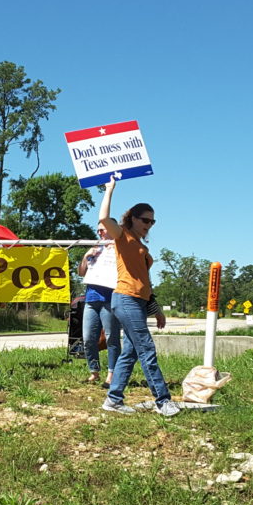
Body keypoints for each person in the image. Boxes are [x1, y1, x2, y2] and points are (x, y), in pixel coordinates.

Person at [98, 178, 180, 416]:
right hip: (125, 298)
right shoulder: (122, 235)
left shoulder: (141, 245)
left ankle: (113, 399)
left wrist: (156, 308)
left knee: (132, 352)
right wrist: (110, 190)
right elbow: (104, 218)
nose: (149, 224)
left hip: (139, 301)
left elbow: (145, 281)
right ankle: (163, 401)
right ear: (132, 218)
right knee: (146, 348)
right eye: (145, 220)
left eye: (153, 221)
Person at [78, 225, 121, 385]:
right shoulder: (96, 249)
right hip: (91, 299)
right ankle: (94, 371)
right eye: (98, 230)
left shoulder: (120, 249)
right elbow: (81, 272)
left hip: (110, 299)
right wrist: (85, 256)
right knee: (88, 338)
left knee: (111, 338)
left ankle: (112, 374)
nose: (99, 232)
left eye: (103, 229)